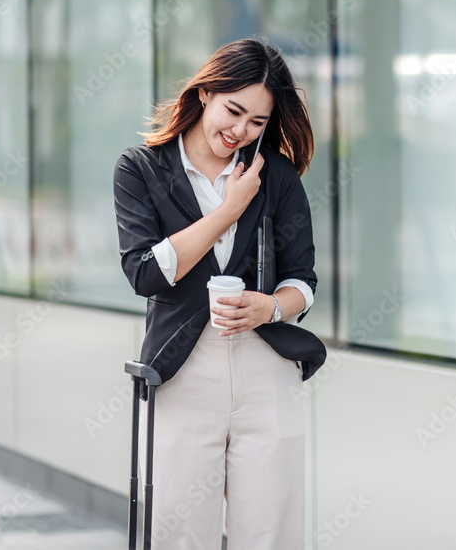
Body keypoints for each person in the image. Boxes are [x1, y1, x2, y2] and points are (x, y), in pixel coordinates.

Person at [112, 36, 326, 549]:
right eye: (234, 111)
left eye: (257, 122)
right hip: (184, 371)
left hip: (265, 369)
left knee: (270, 533)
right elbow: (145, 272)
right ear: (205, 92)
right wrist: (228, 210)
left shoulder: (273, 174)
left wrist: (271, 306)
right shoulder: (140, 169)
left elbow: (304, 280)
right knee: (180, 532)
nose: (241, 131)